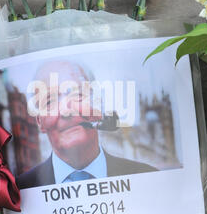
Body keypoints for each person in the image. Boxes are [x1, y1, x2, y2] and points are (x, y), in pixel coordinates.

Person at [16, 59, 157, 189]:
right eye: (50, 102)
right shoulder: (21, 191)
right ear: (40, 121)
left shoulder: (148, 178)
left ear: (98, 103)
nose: (66, 110)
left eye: (77, 95)